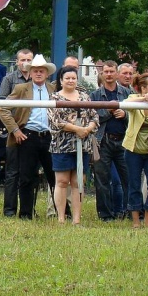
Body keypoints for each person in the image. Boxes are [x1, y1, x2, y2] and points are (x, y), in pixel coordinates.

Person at [0, 54, 57, 220]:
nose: (38, 74)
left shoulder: (53, 90)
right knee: (26, 177)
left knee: (55, 176)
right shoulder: (21, 89)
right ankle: (25, 213)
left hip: (49, 136)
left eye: (41, 71)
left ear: (47, 74)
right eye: (35, 71)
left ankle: (62, 213)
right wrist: (15, 130)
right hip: (27, 136)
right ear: (30, 73)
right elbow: (2, 108)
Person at [47, 66, 98, 225]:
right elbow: (55, 121)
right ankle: (61, 218)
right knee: (61, 181)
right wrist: (77, 129)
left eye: (73, 78)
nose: (70, 81)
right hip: (61, 146)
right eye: (67, 78)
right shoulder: (54, 97)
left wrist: (87, 129)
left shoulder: (85, 97)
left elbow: (94, 117)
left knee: (78, 182)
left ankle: (76, 220)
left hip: (82, 146)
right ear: (61, 80)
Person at [121, 73, 148, 228]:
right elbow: (125, 103)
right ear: (143, 88)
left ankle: (147, 219)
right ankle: (135, 221)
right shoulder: (135, 99)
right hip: (133, 150)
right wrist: (145, 98)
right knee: (134, 184)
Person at [90, 60, 130, 222]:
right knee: (102, 180)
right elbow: (92, 117)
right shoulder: (95, 95)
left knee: (129, 178)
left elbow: (136, 115)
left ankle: (129, 211)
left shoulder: (127, 93)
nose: (109, 74)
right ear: (102, 73)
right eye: (106, 71)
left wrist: (125, 114)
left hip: (124, 140)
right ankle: (105, 214)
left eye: (112, 71)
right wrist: (109, 111)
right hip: (103, 141)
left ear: (116, 73)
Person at [0, 49, 33, 217]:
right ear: (17, 62)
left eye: (29, 59)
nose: (26, 62)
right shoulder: (9, 79)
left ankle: (28, 210)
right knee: (12, 172)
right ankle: (10, 210)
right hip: (14, 132)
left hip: (33, 133)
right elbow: (0, 106)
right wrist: (14, 129)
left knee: (30, 173)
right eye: (23, 59)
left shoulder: (39, 79)